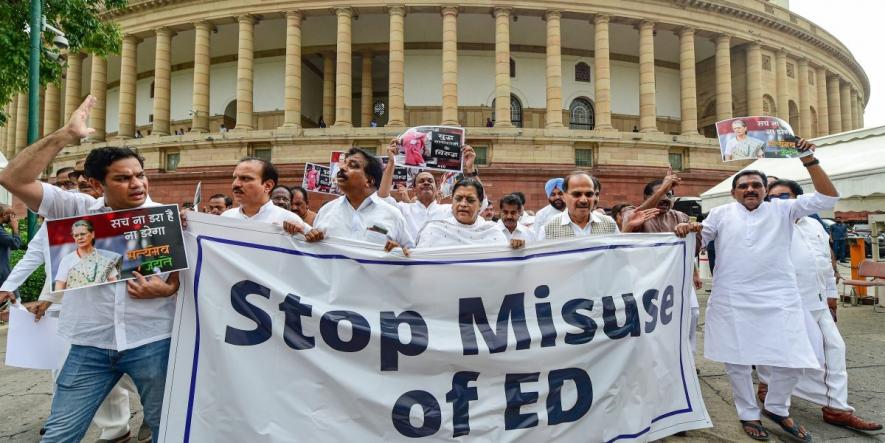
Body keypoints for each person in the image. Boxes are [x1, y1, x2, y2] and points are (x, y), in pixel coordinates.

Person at [0, 95, 181, 442]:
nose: (138, 184)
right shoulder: (75, 208)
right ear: (98, 185)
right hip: (89, 345)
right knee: (58, 434)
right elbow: (13, 179)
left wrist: (168, 288)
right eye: (124, 178)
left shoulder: (169, 217)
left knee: (167, 430)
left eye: (140, 176)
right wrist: (65, 135)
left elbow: (192, 276)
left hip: (152, 341)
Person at [675, 138, 838, 442]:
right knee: (736, 361)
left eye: (756, 185)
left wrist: (808, 159)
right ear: (734, 192)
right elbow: (700, 237)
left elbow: (828, 197)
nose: (750, 189)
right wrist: (689, 230)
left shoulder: (784, 210)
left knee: (797, 358)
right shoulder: (721, 214)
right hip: (732, 298)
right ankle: (748, 412)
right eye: (743, 186)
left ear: (765, 190)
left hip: (780, 297)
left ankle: (776, 406)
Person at [757, 179, 882, 433]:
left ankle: (836, 409)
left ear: (800, 200)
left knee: (833, 348)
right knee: (779, 350)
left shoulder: (815, 224)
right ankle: (768, 386)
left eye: (785, 196)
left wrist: (831, 294)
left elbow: (824, 262)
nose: (779, 202)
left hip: (816, 303)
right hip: (782, 303)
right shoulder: (765, 226)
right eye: (773, 198)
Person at [287, 148, 412, 253]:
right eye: (344, 164)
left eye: (352, 165)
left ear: (369, 181)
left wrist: (399, 252)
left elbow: (414, 256)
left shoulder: (392, 215)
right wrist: (310, 239)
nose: (342, 168)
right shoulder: (326, 211)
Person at [378, 141, 478, 240]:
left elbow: (477, 203)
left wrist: (470, 168)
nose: (426, 183)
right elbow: (383, 199)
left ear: (436, 188)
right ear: (414, 190)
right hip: (410, 254)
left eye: (430, 181)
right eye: (421, 181)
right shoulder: (403, 209)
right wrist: (391, 162)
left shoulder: (449, 210)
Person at [416, 177, 514, 248]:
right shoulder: (433, 230)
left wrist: (518, 251)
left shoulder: (492, 232)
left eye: (470, 200)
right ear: (452, 201)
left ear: (480, 204)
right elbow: (419, 265)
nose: (463, 204)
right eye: (458, 199)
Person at [222, 157, 309, 229]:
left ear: (268, 186)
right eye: (235, 178)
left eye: (245, 178)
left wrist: (312, 236)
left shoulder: (290, 221)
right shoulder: (225, 218)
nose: (236, 184)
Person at [538, 172, 619, 240]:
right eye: (577, 194)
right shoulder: (548, 229)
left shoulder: (609, 224)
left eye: (589, 194)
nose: (583, 200)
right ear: (565, 196)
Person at [54, 220, 121, 291]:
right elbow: (59, 288)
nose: (79, 238)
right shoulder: (67, 260)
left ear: (92, 234)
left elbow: (114, 285)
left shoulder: (106, 258)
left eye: (82, 234)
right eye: (76, 235)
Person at [0, 205, 22, 289]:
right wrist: (15, 228)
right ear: (3, 215)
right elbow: (16, 244)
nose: (14, 216)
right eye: (12, 214)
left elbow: (9, 245)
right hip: (2, 271)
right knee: (14, 298)